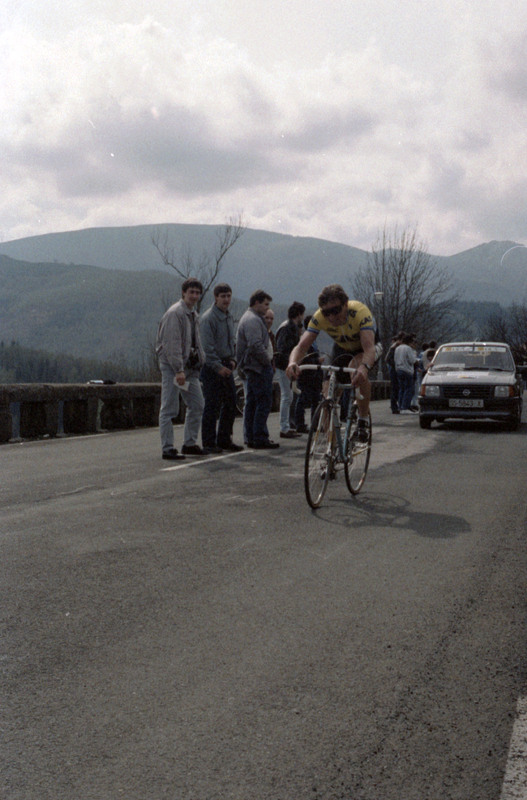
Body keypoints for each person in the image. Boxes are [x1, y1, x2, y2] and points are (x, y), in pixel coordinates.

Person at [286, 284, 378, 443]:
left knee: (355, 368)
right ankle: (331, 445)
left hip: (366, 347)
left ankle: (362, 421)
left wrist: (364, 368)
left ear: (345, 304)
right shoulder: (319, 317)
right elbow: (301, 347)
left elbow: (369, 349)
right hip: (342, 348)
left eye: (335, 310)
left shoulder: (359, 312)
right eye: (326, 312)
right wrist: (292, 362)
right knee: (327, 391)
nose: (331, 317)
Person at [156, 277, 207, 458]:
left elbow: (195, 342)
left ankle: (189, 443)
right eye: (191, 292)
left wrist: (200, 360)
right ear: (183, 293)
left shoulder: (193, 314)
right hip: (173, 368)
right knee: (169, 407)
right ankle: (167, 448)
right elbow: (172, 344)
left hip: (189, 369)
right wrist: (178, 370)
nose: (194, 296)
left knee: (197, 404)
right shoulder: (175, 313)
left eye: (197, 293)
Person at [199, 283, 243, 453]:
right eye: (223, 296)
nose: (226, 299)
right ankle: (209, 442)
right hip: (212, 367)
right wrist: (218, 367)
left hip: (226, 364)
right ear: (216, 297)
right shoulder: (208, 318)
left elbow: (232, 341)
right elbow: (207, 348)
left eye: (228, 296)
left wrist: (233, 360)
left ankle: (224, 439)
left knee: (231, 402)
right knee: (212, 405)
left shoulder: (228, 316)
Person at [236, 290, 279, 449]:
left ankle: (251, 436)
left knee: (253, 402)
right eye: (265, 304)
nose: (267, 308)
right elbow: (255, 345)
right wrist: (267, 361)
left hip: (254, 367)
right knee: (263, 402)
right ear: (257, 303)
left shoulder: (252, 318)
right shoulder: (252, 320)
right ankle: (259, 436)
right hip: (257, 367)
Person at [274, 301, 305, 438]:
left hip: (285, 365)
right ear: (298, 314)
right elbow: (283, 349)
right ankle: (284, 427)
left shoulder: (288, 327)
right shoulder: (287, 328)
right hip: (284, 366)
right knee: (287, 396)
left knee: (289, 396)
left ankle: (287, 425)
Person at [293, 315, 324, 432]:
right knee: (302, 399)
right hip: (306, 375)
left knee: (316, 400)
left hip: (315, 376)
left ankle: (315, 424)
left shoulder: (313, 340)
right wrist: (317, 360)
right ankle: (299, 424)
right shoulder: (305, 340)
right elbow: (303, 358)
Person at [394, 333, 418, 413]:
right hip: (407, 370)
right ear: (409, 342)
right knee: (409, 389)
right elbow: (412, 360)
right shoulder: (408, 348)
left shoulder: (397, 348)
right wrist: (416, 360)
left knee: (401, 389)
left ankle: (400, 406)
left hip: (398, 369)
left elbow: (395, 359)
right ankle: (405, 407)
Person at [386, 333, 403, 414]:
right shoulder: (393, 348)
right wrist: (396, 365)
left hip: (397, 369)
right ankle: (394, 407)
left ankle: (397, 405)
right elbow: (388, 359)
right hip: (394, 370)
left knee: (397, 388)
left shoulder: (398, 347)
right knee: (395, 388)